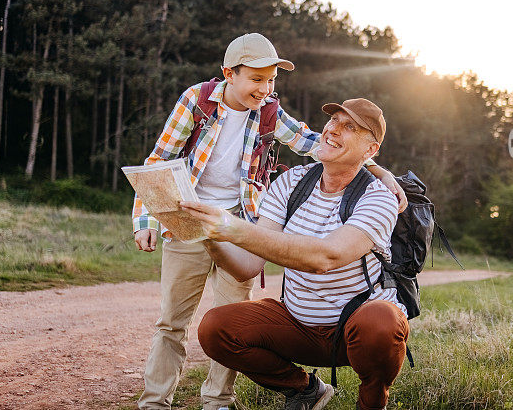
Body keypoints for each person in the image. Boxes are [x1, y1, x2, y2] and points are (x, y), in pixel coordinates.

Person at [132, 33, 406, 410]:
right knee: (173, 322)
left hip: (244, 225)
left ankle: (217, 401)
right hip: (187, 221)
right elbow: (158, 161)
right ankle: (153, 402)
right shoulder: (195, 101)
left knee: (228, 309)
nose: (265, 89)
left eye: (272, 80)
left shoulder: (270, 113)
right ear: (229, 73)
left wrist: (380, 170)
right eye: (256, 79)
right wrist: (145, 218)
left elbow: (317, 141)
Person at [181, 98, 410, 410]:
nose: (332, 130)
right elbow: (247, 266)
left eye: (349, 127)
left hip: (353, 333)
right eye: (334, 121)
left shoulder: (379, 198)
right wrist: (208, 234)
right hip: (297, 327)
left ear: (370, 151)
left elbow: (326, 257)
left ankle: (372, 400)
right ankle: (305, 389)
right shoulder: (292, 181)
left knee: (381, 320)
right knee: (216, 328)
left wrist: (233, 228)